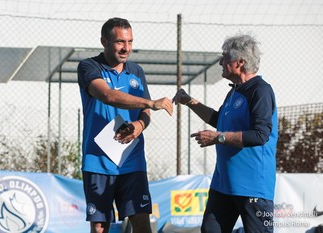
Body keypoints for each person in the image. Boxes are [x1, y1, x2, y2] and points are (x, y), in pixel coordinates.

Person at [173, 33, 278, 233]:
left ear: (240, 62)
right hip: (223, 184)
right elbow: (218, 119)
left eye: (225, 57)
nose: (220, 61)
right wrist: (190, 101)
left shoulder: (261, 91)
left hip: (253, 186)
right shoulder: (234, 91)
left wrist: (218, 138)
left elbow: (260, 135)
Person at [77, 17, 173, 233]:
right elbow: (108, 96)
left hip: (132, 160)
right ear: (104, 41)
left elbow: (144, 112)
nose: (126, 48)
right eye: (120, 42)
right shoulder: (88, 67)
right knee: (101, 226)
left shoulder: (136, 71)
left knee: (141, 222)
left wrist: (140, 124)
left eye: (130, 42)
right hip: (98, 161)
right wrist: (150, 102)